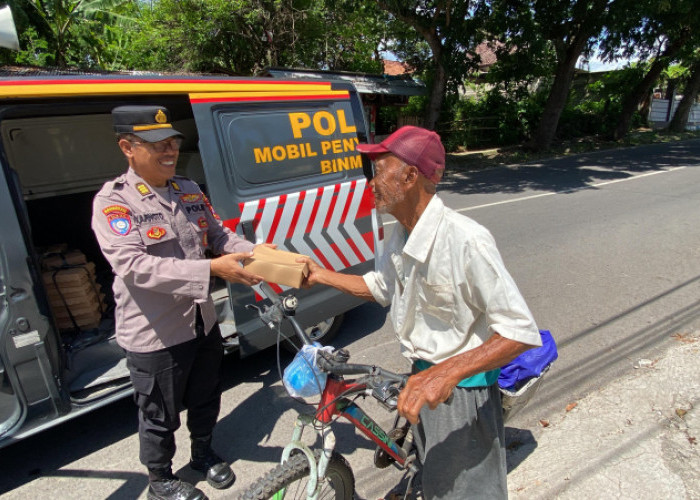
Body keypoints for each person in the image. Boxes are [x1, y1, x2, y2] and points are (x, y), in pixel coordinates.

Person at [297, 126, 542, 499]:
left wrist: (444, 373)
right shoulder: (399, 234)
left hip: (460, 391)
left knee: (467, 491)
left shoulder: (465, 240)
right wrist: (319, 275)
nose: (371, 181)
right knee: (434, 477)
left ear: (410, 176)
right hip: (423, 380)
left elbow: (519, 330)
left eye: (379, 170)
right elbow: (381, 288)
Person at [92, 105, 268, 500]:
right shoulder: (114, 203)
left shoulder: (188, 190)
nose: (169, 150)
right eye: (156, 144)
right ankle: (161, 480)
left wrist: (258, 253)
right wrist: (213, 271)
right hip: (155, 332)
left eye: (172, 141)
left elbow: (220, 238)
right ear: (127, 147)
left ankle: (203, 453)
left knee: (207, 394)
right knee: (159, 414)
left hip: (201, 321)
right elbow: (134, 266)